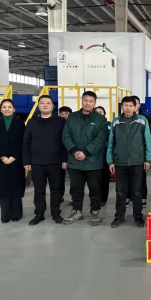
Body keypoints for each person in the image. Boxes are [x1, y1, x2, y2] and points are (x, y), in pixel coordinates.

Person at [62, 91, 109, 226]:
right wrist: (74, 151)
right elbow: (66, 135)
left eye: (91, 101)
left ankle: (95, 212)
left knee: (95, 189)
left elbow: (100, 139)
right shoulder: (72, 117)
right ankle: (77, 211)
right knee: (76, 189)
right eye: (85, 100)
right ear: (81, 101)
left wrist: (86, 152)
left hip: (93, 162)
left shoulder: (100, 119)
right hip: (75, 160)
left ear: (95, 103)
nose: (88, 103)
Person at [108, 96, 151, 228]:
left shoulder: (142, 120)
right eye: (125, 105)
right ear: (122, 107)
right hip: (120, 162)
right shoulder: (116, 122)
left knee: (137, 191)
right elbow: (111, 142)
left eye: (131, 106)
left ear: (135, 107)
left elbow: (147, 140)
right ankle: (119, 216)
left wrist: (147, 159)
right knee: (120, 191)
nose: (128, 108)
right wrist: (110, 161)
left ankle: (138, 217)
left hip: (137, 161)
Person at [23, 95, 67, 225]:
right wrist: (26, 161)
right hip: (37, 162)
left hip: (56, 162)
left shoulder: (61, 121)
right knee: (39, 190)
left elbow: (65, 141)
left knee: (56, 189)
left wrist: (65, 159)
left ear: (53, 106)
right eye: (42, 103)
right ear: (38, 105)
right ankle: (39, 213)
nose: (45, 105)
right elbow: (26, 142)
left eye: (48, 103)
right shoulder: (32, 122)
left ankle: (56, 212)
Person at [0, 99, 26, 223]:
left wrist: (14, 156)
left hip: (16, 160)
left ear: (14, 109)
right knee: (2, 187)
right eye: (4, 107)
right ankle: (5, 214)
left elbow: (23, 141)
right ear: (1, 109)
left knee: (16, 187)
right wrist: (1, 156)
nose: (7, 109)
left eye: (9, 107)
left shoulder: (20, 123)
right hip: (0, 161)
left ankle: (16, 214)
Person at [126, 95, 151, 208]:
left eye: (134, 104)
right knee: (127, 177)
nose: (131, 106)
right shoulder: (122, 119)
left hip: (140, 154)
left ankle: (143, 197)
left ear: (138, 105)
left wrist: (147, 157)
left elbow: (147, 138)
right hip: (126, 155)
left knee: (141, 178)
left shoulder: (145, 119)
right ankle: (128, 197)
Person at [95, 106, 112, 207]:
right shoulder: (90, 125)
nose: (99, 113)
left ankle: (103, 199)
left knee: (105, 178)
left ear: (104, 114)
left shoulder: (109, 125)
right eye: (96, 112)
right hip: (93, 155)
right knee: (94, 180)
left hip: (105, 154)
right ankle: (95, 198)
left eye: (101, 112)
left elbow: (111, 139)